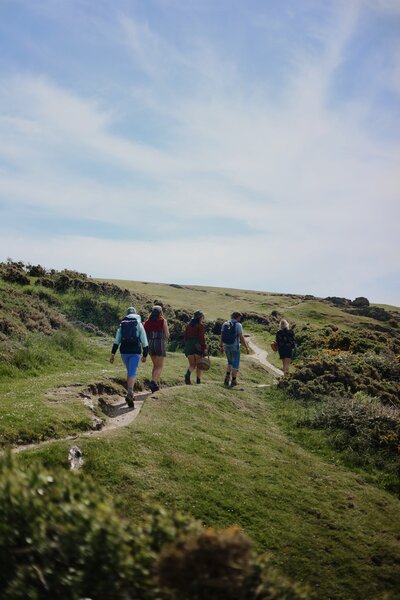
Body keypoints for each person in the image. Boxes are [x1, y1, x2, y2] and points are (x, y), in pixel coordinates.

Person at [110, 306, 149, 408]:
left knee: (130, 371)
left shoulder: (122, 324)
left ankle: (129, 391)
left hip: (124, 352)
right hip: (135, 351)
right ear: (136, 314)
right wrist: (145, 355)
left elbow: (116, 340)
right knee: (132, 372)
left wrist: (113, 354)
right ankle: (130, 393)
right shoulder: (139, 324)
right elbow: (144, 341)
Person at [143, 305, 170, 393]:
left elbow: (144, 334)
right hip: (159, 344)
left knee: (155, 365)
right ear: (160, 312)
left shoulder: (147, 322)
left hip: (150, 343)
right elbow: (167, 335)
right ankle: (153, 382)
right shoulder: (163, 321)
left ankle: (155, 385)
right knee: (159, 366)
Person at [220, 312, 249, 388]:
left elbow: (222, 336)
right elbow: (241, 337)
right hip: (235, 346)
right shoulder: (238, 325)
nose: (240, 319)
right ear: (238, 317)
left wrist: (221, 346)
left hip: (226, 346)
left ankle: (227, 378)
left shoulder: (225, 324)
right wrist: (246, 347)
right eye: (240, 318)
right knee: (235, 364)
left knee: (229, 362)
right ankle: (233, 380)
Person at [184, 310, 207, 385]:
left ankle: (187, 374)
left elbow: (186, 337)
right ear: (200, 317)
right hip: (198, 346)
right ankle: (198, 381)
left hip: (189, 346)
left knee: (192, 365)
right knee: (199, 365)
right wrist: (204, 348)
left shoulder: (188, 325)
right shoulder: (200, 326)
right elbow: (201, 338)